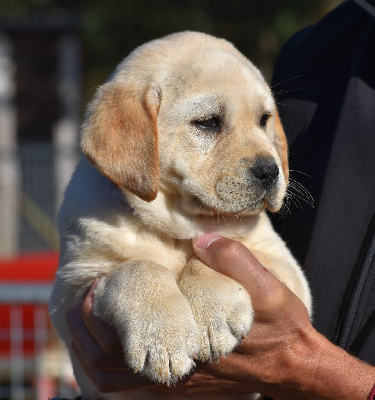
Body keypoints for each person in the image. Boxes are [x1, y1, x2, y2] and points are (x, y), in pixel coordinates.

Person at [64, 0, 375, 398]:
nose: (266, 160)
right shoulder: (319, 50)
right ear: (135, 137)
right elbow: (76, 318)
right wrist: (133, 285)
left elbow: (291, 294)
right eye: (209, 122)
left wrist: (210, 277)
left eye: (264, 120)